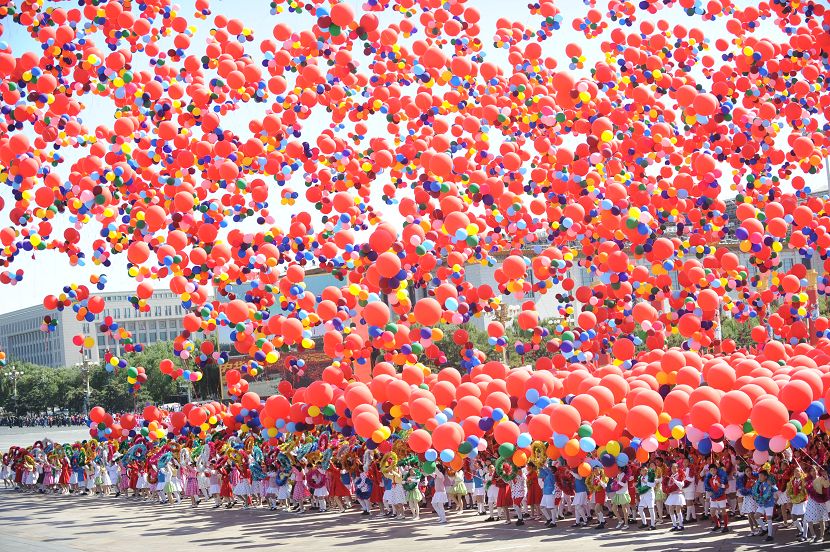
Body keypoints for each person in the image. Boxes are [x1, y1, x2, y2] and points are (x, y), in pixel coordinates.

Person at [804, 465, 829, 543]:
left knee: (821, 519)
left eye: (814, 470)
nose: (813, 472)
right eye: (811, 470)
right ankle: (813, 535)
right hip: (811, 501)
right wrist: (805, 487)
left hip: (820, 500)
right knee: (808, 518)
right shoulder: (807, 480)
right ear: (809, 472)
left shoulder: (821, 478)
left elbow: (827, 486)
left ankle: (822, 536)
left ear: (817, 471)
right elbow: (806, 492)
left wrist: (826, 478)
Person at [751, 469, 777, 542]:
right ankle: (765, 529)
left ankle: (770, 535)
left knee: (768, 518)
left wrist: (771, 485)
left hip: (769, 503)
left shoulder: (769, 482)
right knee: (756, 516)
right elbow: (757, 492)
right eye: (759, 476)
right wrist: (756, 496)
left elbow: (776, 489)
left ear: (765, 476)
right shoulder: (760, 484)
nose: (759, 477)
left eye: (761, 476)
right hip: (762, 503)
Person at [704, 463, 729, 533]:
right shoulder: (709, 479)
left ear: (716, 470)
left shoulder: (721, 477)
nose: (713, 472)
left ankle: (726, 526)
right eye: (711, 470)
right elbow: (708, 488)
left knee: (723, 511)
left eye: (714, 470)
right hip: (714, 498)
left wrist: (721, 485)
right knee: (712, 512)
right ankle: (717, 524)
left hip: (721, 497)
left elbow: (727, 486)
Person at [787, 466, 808, 541]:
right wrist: (790, 494)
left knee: (804, 518)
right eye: (795, 471)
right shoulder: (792, 480)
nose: (796, 472)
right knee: (793, 517)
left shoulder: (803, 480)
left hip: (802, 501)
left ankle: (805, 536)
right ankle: (801, 530)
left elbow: (805, 492)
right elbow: (789, 490)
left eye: (798, 471)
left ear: (801, 472)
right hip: (795, 501)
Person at [664, 462, 686, 532]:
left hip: (678, 494)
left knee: (678, 510)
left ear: (677, 468)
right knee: (670, 509)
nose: (673, 469)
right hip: (672, 494)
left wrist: (675, 481)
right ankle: (674, 525)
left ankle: (681, 525)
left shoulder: (680, 475)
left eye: (675, 468)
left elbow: (681, 485)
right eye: (672, 468)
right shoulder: (671, 476)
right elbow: (669, 485)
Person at [636, 465, 657, 530]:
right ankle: (644, 523)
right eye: (642, 470)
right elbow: (640, 486)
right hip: (643, 496)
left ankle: (653, 525)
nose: (644, 471)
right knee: (640, 509)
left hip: (649, 495)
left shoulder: (650, 476)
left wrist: (646, 482)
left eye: (645, 470)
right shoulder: (641, 477)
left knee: (651, 509)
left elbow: (653, 485)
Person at [539, 461, 557, 527]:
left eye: (549, 469)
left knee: (551, 508)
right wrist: (539, 465)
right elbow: (542, 471)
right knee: (542, 507)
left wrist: (543, 465)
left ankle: (554, 522)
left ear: (552, 471)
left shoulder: (552, 475)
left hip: (550, 493)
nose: (548, 469)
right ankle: (549, 519)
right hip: (545, 493)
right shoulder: (547, 475)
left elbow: (547, 471)